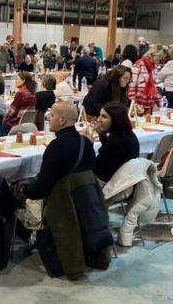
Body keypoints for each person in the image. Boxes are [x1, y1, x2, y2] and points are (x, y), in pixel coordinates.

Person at [19, 101, 102, 279]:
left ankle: (16, 240)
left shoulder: (56, 147)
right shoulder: (85, 143)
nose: (49, 119)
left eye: (53, 115)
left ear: (63, 120)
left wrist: (23, 189)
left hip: (61, 204)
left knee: (10, 192)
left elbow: (41, 188)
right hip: (84, 201)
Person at [92, 102, 140, 183]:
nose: (99, 120)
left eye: (104, 116)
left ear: (115, 119)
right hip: (125, 180)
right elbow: (109, 154)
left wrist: (88, 144)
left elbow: (96, 167)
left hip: (112, 184)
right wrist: (102, 135)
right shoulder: (127, 134)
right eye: (99, 115)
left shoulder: (116, 141)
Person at [127, 47, 161, 114]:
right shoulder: (139, 63)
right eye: (159, 56)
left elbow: (154, 83)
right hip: (138, 98)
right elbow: (132, 81)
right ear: (151, 54)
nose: (160, 58)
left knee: (146, 121)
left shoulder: (154, 66)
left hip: (149, 99)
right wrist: (132, 97)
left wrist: (157, 98)